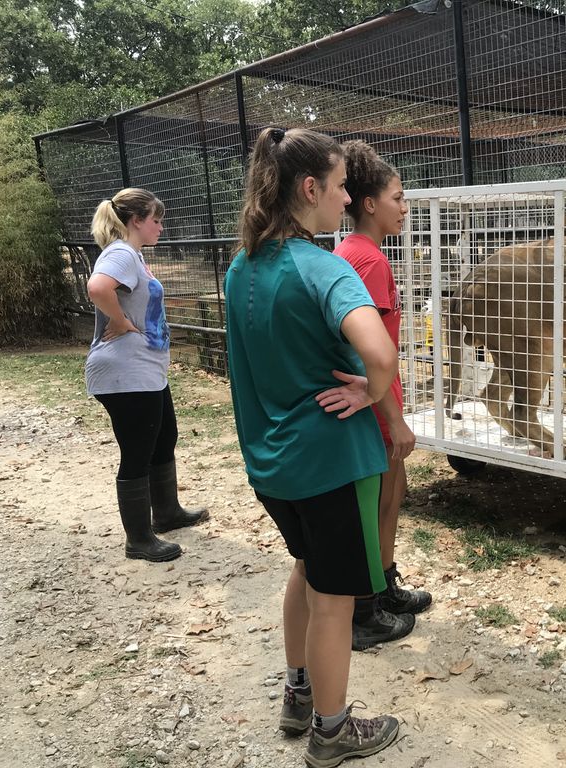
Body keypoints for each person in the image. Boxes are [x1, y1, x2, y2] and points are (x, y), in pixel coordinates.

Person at [224, 127, 400, 768]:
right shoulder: (322, 267)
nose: (347, 194)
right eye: (340, 184)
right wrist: (369, 389)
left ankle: (298, 695)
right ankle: (332, 731)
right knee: (335, 598)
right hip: (330, 463)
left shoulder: (243, 264)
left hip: (271, 465)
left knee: (305, 569)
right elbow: (380, 352)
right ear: (309, 189)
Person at [331, 140, 431, 651]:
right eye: (398, 197)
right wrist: (394, 418)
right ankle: (369, 602)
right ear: (369, 204)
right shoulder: (366, 260)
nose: (404, 207)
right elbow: (371, 355)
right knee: (380, 505)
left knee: (391, 499)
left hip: (375, 402)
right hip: (374, 407)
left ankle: (383, 584)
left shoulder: (354, 254)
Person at [86, 188, 208, 563]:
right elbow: (97, 287)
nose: (161, 227)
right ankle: (138, 539)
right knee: (138, 450)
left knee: (164, 435)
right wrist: (120, 322)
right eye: (156, 220)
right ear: (136, 221)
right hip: (125, 373)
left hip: (144, 370)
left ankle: (167, 513)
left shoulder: (132, 255)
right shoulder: (122, 252)